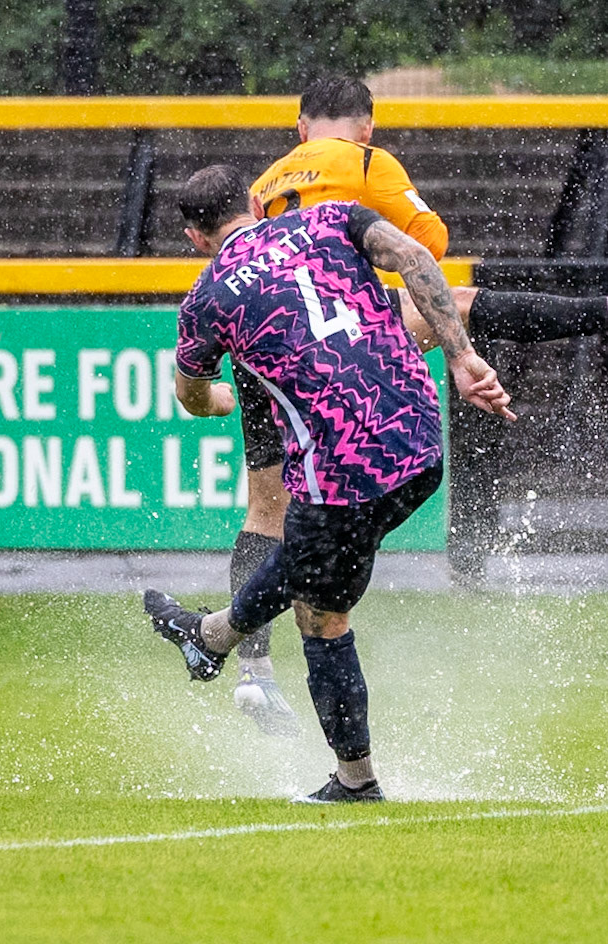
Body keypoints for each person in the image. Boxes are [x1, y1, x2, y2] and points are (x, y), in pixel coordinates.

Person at [222, 74, 608, 736]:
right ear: (366, 127)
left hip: (263, 346)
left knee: (266, 507)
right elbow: (427, 247)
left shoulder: (266, 185)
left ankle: (254, 670)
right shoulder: (368, 162)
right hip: (338, 340)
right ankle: (597, 315)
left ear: (299, 126)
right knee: (455, 304)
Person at [146, 164, 515, 803]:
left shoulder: (208, 301)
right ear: (255, 204)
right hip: (419, 438)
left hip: (339, 467)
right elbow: (415, 254)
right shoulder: (328, 216)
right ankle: (209, 637)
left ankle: (353, 778)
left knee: (319, 615)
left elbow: (192, 395)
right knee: (313, 566)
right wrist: (460, 355)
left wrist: (222, 405)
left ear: (194, 238)